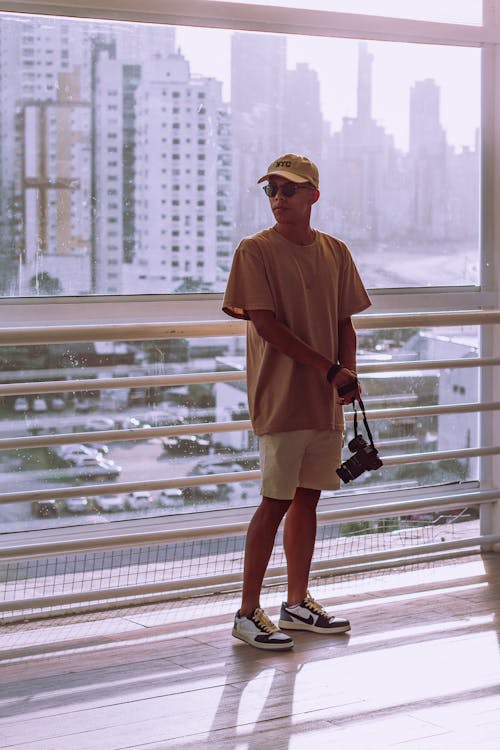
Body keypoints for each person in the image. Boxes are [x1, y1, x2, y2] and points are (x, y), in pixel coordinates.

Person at [223, 153, 371, 650]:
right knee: (275, 501)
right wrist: (330, 369)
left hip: (324, 397)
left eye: (288, 189)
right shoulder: (255, 250)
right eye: (271, 190)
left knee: (309, 497)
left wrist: (346, 374)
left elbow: (345, 322)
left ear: (314, 195)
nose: (278, 199)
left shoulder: (336, 251)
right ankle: (247, 612)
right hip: (281, 396)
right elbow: (265, 325)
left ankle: (296, 603)